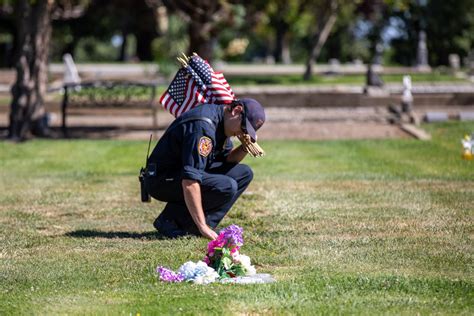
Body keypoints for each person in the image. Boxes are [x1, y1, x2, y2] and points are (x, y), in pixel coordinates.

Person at [144, 98, 266, 240]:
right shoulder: (203, 127)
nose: (242, 132)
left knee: (243, 174)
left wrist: (245, 146)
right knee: (226, 186)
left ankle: (199, 225)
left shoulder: (222, 122)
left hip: (183, 173)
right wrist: (202, 226)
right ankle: (171, 220)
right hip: (161, 178)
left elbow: (226, 160)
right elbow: (190, 181)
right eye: (244, 127)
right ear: (236, 111)